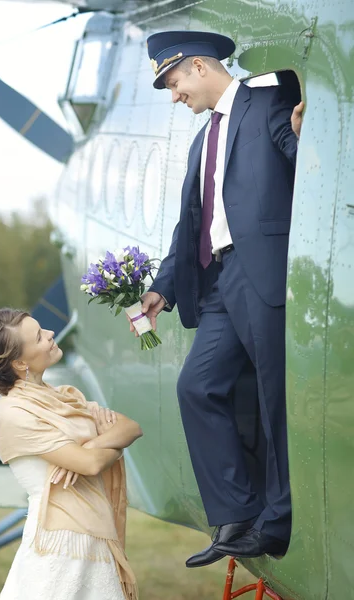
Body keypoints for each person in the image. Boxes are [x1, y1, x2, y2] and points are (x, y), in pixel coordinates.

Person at [131, 31, 304, 565]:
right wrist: (162, 287)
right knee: (197, 386)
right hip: (219, 283)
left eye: (175, 80)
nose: (174, 94)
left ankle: (273, 526)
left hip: (264, 273)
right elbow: (191, 228)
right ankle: (236, 514)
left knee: (274, 400)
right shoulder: (200, 141)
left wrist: (302, 133)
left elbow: (306, 164)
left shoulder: (269, 101)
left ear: (201, 67)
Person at [0, 308, 141, 600]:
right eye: (39, 336)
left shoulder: (64, 396)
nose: (51, 334)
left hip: (92, 536)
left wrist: (87, 448)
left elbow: (131, 428)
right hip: (61, 544)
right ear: (20, 362)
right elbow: (91, 465)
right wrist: (93, 450)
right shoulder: (13, 413)